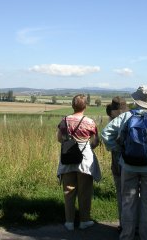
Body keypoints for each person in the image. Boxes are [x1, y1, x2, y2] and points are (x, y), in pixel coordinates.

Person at [101, 85, 147, 240]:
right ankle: (146, 236)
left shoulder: (126, 117)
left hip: (127, 165)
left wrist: (118, 149)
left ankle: (126, 235)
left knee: (128, 202)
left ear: (136, 100)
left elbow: (106, 133)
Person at [57, 94, 101, 231]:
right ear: (85, 106)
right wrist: (87, 146)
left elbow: (59, 138)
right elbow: (95, 141)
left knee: (68, 191)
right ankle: (84, 220)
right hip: (85, 159)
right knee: (85, 191)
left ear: (72, 105)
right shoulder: (90, 122)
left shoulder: (64, 120)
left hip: (68, 157)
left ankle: (69, 222)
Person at [105, 96, 129, 232]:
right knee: (134, 194)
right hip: (134, 159)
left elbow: (106, 138)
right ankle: (136, 224)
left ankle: (124, 224)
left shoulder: (112, 122)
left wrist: (116, 149)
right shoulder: (131, 118)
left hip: (117, 161)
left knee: (121, 193)